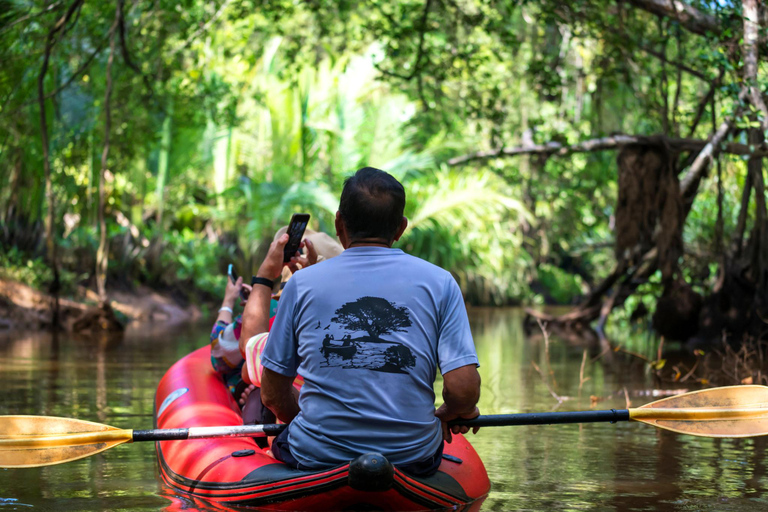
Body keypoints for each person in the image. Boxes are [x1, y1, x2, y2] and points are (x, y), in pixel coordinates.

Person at [240, 167, 481, 476]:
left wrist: (318, 425)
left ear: (340, 222)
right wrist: (454, 411)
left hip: (316, 453)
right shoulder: (441, 283)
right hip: (412, 455)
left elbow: (272, 395)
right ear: (401, 228)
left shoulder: (301, 285)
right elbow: (464, 391)